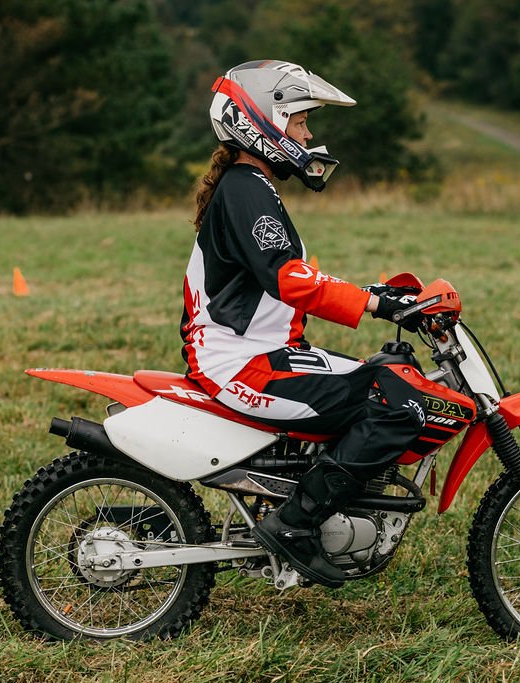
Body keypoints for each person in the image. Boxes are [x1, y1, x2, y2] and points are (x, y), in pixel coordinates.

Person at [180, 60, 426, 588]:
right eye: (300, 121)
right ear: (260, 120)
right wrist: (374, 305)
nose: (308, 135)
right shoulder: (246, 188)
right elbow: (288, 278)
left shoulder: (249, 186)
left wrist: (375, 293)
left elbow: (289, 278)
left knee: (388, 376)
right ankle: (295, 524)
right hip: (242, 364)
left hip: (265, 353)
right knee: (397, 404)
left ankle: (314, 505)